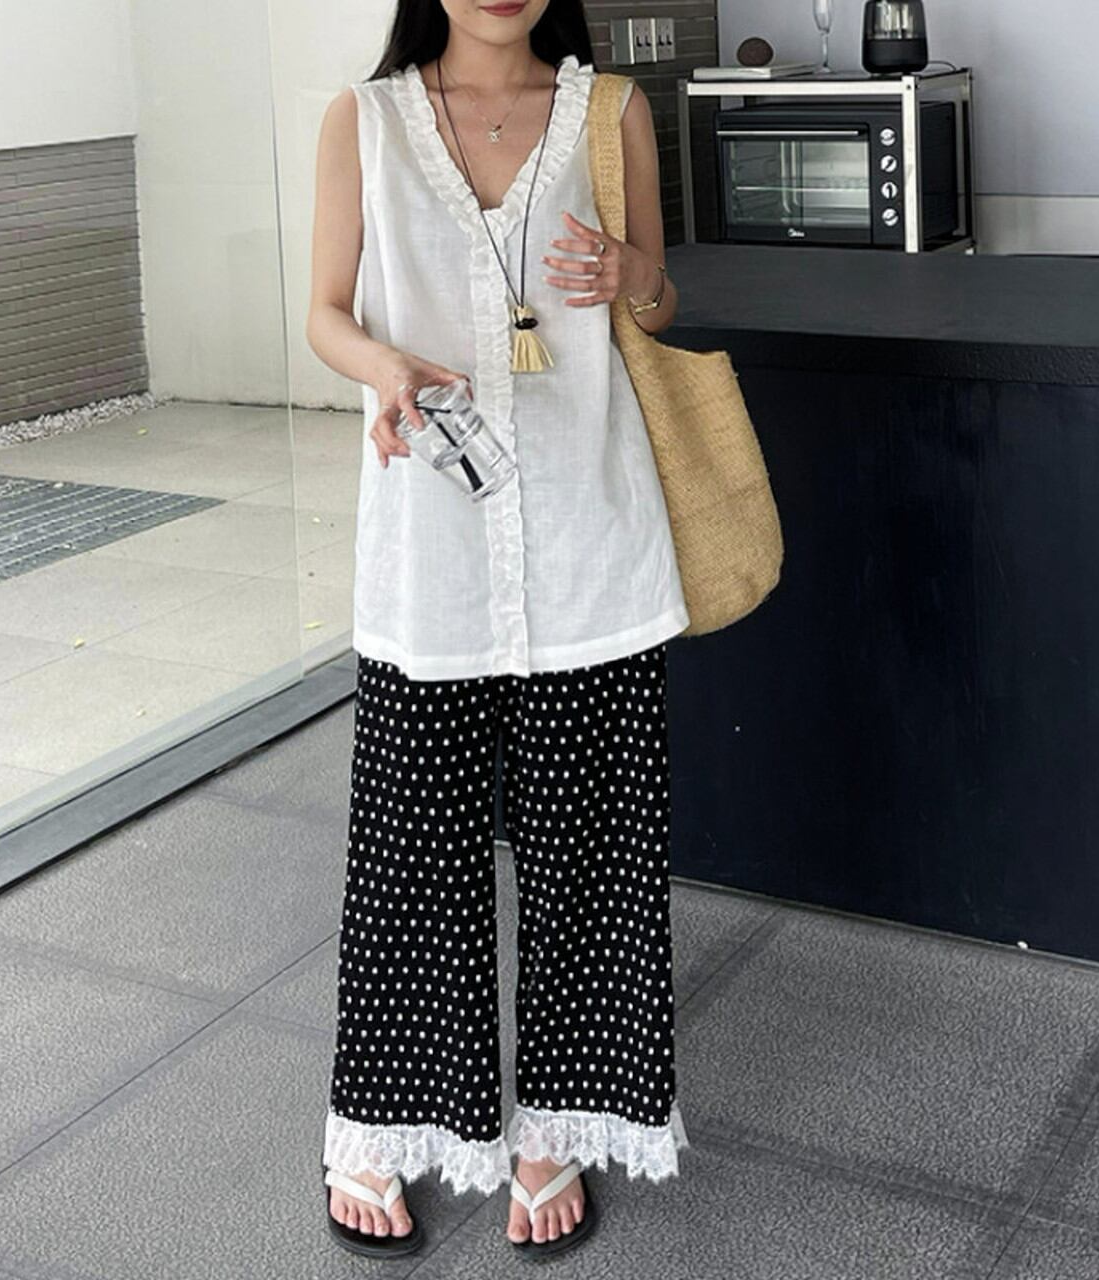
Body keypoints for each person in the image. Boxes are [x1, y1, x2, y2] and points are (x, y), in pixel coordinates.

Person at [306, 0, 689, 1261]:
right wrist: (385, 369)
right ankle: (383, 1120)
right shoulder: (362, 121)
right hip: (430, 549)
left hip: (589, 540)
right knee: (410, 851)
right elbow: (323, 312)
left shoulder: (610, 112)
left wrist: (631, 275)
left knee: (592, 852)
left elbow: (659, 299)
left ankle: (556, 1124)